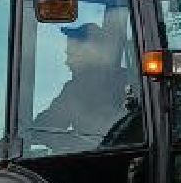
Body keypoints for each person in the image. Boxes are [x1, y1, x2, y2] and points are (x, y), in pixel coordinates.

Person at [28, 10, 138, 151]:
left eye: (71, 55)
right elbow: (44, 128)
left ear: (91, 53)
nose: (67, 62)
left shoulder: (128, 85)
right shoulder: (75, 89)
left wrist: (70, 143)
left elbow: (42, 130)